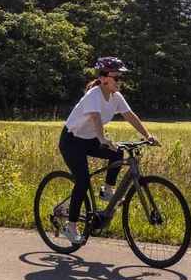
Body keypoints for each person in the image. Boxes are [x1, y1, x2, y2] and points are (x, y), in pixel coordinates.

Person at [58, 57, 159, 245]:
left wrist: (148, 135)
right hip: (71, 141)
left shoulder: (115, 96)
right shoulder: (94, 95)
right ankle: (70, 226)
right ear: (104, 78)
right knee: (82, 180)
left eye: (121, 78)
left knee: (118, 152)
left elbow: (130, 116)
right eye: (117, 78)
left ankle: (106, 190)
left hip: (89, 139)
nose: (120, 82)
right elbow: (96, 119)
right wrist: (103, 140)